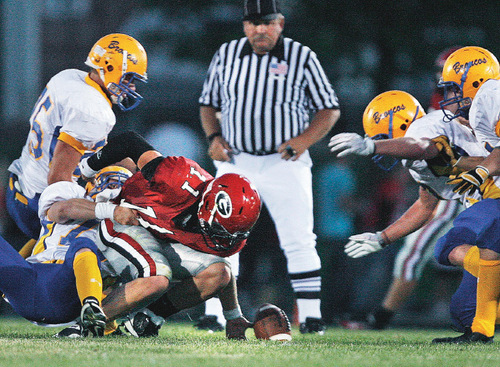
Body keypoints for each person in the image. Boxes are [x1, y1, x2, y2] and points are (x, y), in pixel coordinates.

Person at [198, 0, 340, 334]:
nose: (260, 29)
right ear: (244, 25)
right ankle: (215, 314)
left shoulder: (301, 56)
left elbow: (328, 108)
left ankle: (311, 315)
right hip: (238, 160)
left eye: (267, 22)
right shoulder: (227, 53)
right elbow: (208, 101)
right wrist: (214, 137)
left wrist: (303, 141)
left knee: (299, 237)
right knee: (219, 235)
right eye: (253, 23)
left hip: (284, 161)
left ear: (281, 22)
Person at [68, 130, 262, 340]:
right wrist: (85, 170)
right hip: (125, 222)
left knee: (220, 272)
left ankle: (147, 319)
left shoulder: (230, 235)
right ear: (208, 205)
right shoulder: (178, 177)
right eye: (221, 229)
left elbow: (224, 272)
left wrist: (233, 316)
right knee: (157, 277)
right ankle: (85, 325)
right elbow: (130, 141)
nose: (224, 239)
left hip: (162, 240)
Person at [329, 90, 487, 329]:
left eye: (382, 135)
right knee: (456, 256)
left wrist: (373, 146)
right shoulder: (417, 157)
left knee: (458, 254)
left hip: (492, 195)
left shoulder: (424, 127)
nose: (381, 142)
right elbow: (426, 205)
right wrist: (382, 238)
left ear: (399, 123)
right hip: (488, 201)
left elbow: (422, 146)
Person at [6, 33, 148, 242]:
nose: (131, 87)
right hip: (39, 204)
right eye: (128, 78)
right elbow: (58, 180)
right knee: (121, 212)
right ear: (109, 67)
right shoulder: (93, 111)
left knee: (126, 168)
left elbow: (89, 149)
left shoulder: (70, 76)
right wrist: (106, 211)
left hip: (19, 184)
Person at [0, 166, 133, 337]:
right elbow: (62, 211)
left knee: (83, 244)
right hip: (29, 281)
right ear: (91, 183)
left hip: (66, 292)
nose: (117, 189)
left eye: (124, 185)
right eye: (112, 182)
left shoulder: (129, 227)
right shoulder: (71, 193)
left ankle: (92, 311)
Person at [428, 46, 500, 343]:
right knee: (463, 313)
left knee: (462, 237)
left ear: (474, 80)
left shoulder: (491, 93)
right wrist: (461, 166)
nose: (449, 96)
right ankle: (481, 331)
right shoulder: (484, 106)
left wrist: (479, 173)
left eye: (455, 87)